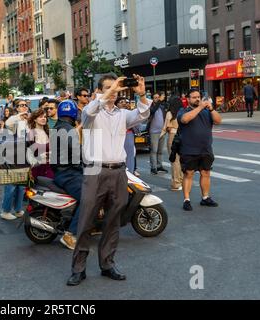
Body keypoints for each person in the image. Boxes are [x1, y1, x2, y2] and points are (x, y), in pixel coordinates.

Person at [67, 74, 151, 286]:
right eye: (107, 88)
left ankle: (107, 264)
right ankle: (79, 268)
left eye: (115, 88)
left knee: (113, 222)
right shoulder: (90, 112)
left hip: (119, 172)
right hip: (95, 171)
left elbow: (142, 115)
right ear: (98, 91)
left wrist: (141, 94)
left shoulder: (123, 114)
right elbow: (90, 109)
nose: (113, 91)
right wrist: (109, 90)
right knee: (86, 221)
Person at [178, 89, 222, 211]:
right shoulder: (183, 110)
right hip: (189, 149)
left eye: (199, 97)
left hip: (206, 149)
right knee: (189, 174)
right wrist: (200, 107)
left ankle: (205, 197)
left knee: (206, 173)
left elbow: (218, 121)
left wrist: (211, 109)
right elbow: (185, 119)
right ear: (188, 99)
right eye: (194, 97)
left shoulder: (207, 111)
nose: (197, 99)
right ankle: (186, 200)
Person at [51, 100, 83, 250]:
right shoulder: (68, 130)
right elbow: (76, 150)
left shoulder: (58, 127)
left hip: (63, 172)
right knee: (88, 199)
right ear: (74, 114)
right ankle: (70, 234)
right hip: (68, 174)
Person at [0, 100, 30, 221]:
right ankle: (5, 210)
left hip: (24, 155)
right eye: (21, 105)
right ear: (16, 108)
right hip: (12, 155)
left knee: (21, 186)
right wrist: (19, 116)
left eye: (25, 105)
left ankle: (17, 209)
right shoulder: (14, 119)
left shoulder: (28, 120)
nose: (24, 107)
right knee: (11, 185)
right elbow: (8, 123)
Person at [162, 96, 183, 191]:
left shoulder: (170, 113)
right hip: (183, 137)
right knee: (182, 160)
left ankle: (176, 183)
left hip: (173, 136)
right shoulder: (183, 112)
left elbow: (166, 127)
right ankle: (182, 181)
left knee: (174, 160)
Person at [27, 108, 54, 180]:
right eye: (40, 117)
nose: (43, 119)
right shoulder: (31, 135)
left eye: (45, 117)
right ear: (35, 119)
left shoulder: (49, 132)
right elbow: (29, 159)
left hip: (50, 169)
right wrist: (40, 157)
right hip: (37, 171)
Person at [147, 92, 168, 175]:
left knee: (160, 151)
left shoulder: (162, 107)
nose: (156, 99)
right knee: (154, 150)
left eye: (157, 97)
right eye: (155, 98)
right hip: (153, 132)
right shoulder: (151, 107)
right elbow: (153, 111)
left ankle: (159, 166)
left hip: (162, 131)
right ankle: (153, 167)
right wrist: (159, 101)